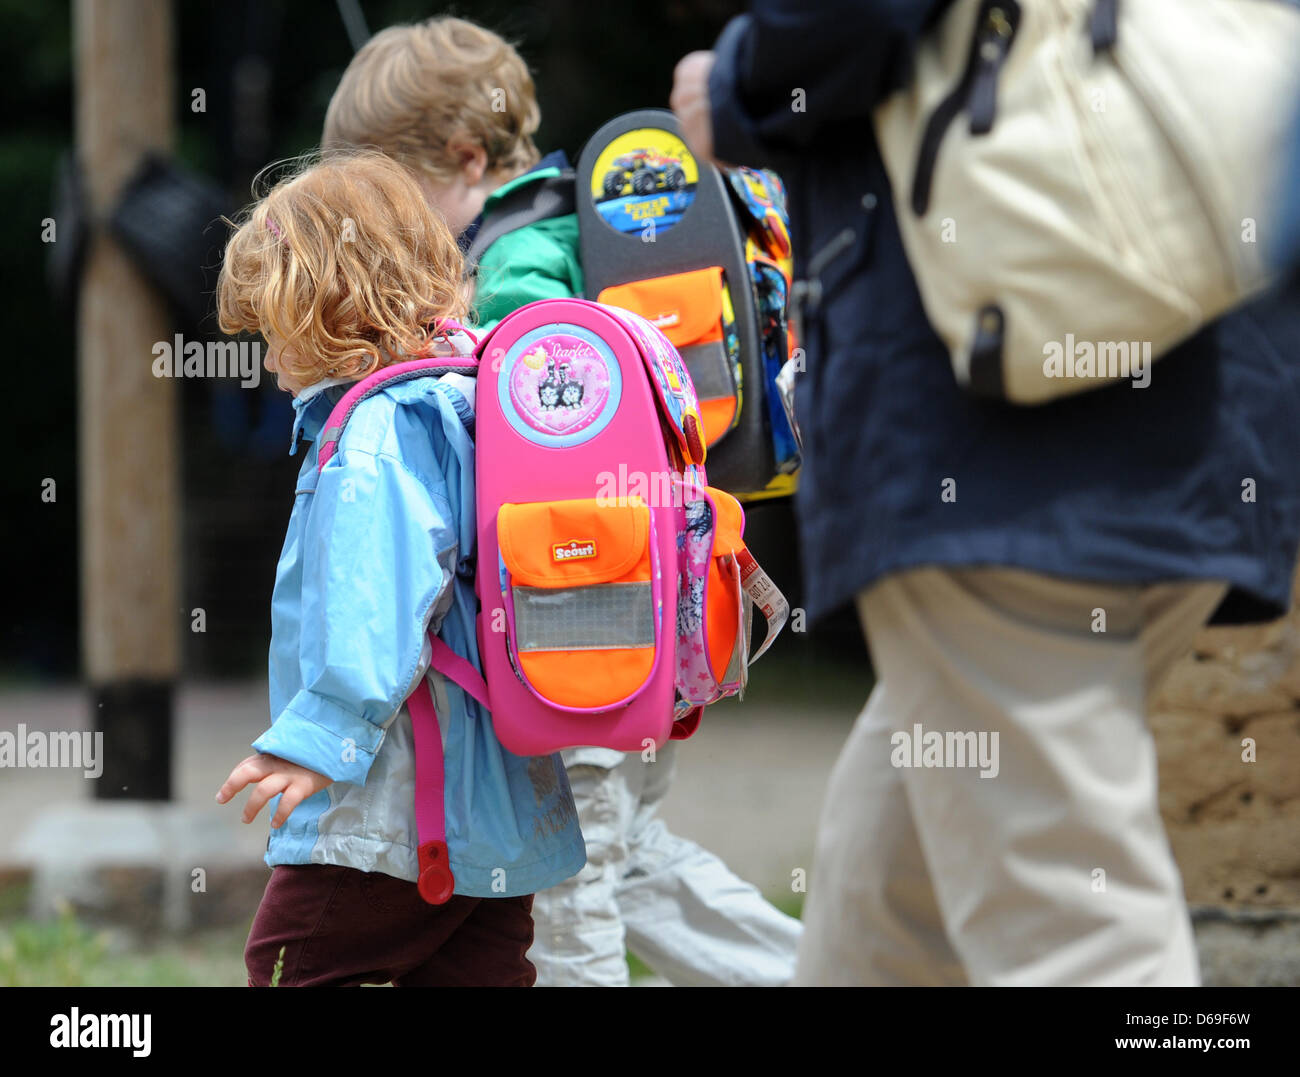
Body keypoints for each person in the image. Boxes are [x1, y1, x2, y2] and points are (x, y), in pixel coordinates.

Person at [674, 2, 1300, 986]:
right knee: (883, 912)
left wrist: (738, 78)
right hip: (1208, 376)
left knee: (1072, 932)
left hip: (1010, 420)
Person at [322, 14, 801, 987]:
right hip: (645, 616)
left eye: (390, 197)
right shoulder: (577, 225)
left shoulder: (522, 258)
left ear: (463, 159)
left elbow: (515, 427)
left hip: (583, 624)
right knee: (633, 857)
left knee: (575, 877)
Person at [214, 153, 586, 987]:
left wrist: (318, 740)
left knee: (290, 964)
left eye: (273, 325)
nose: (268, 355)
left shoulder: (376, 432)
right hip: (500, 795)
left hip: (395, 801)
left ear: (323, 309)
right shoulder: (465, 393)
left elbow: (377, 599)